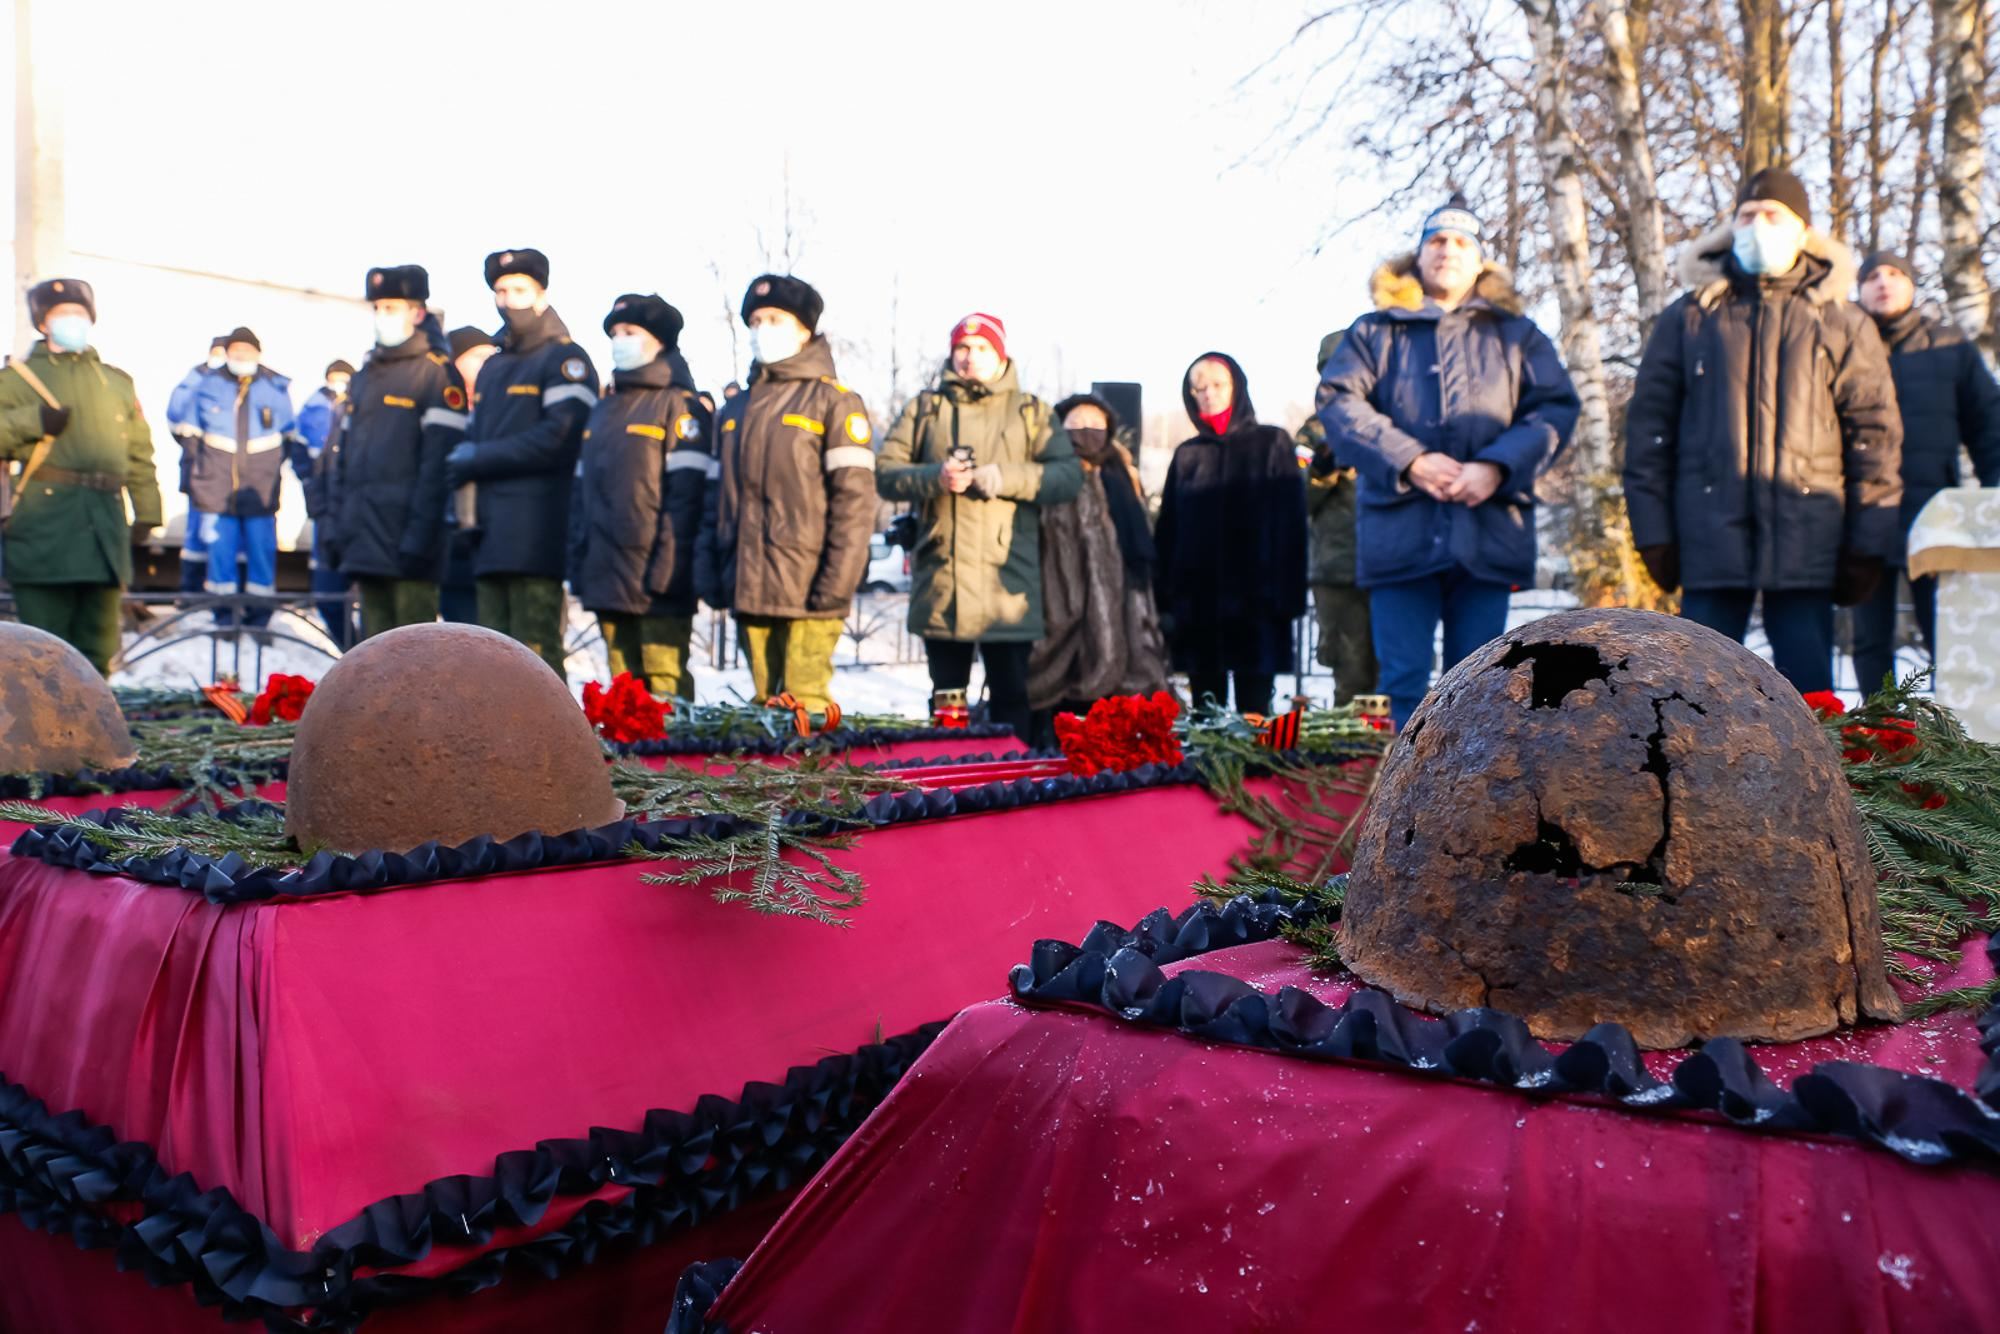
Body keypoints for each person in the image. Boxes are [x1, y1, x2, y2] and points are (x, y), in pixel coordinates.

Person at [1625, 168, 1903, 695]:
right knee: (1692, 698)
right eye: (1747, 216)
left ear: (1803, 230)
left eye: (1773, 215)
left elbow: (1874, 439)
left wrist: (1867, 543)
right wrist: (1654, 533)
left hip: (1809, 540)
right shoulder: (1688, 319)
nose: (1758, 226)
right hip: (1707, 542)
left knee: (1813, 702)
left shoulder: (1842, 321)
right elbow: (1648, 436)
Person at [1319, 194, 1580, 727]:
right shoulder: (1375, 331)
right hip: (1399, 535)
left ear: (1481, 260)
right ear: (1418, 255)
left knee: (1485, 689)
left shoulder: (1518, 335)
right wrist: (1409, 459)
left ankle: (1475, 810)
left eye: (1462, 241)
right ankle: (1402, 808)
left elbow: (1555, 408)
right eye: (1436, 239)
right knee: (1402, 688)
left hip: (1486, 533)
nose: (1448, 250)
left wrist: (1496, 467)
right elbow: (1339, 403)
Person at [876, 313, 1079, 740]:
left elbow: (1066, 476)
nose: (970, 358)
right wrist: (935, 476)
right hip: (942, 580)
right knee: (947, 700)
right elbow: (886, 472)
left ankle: (1015, 787)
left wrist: (1003, 478)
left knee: (1011, 699)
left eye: (982, 348)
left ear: (1000, 353)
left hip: (1006, 583)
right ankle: (949, 781)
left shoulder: (1032, 412)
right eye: (962, 349)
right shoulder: (925, 408)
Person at [697, 274, 874, 716]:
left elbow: (854, 504)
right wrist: (713, 569)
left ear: (805, 329)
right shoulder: (734, 410)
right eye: (756, 320)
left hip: (810, 589)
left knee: (804, 714)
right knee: (766, 713)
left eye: (775, 319)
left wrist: (838, 581)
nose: (763, 329)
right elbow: (714, 500)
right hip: (748, 585)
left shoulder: (835, 403)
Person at [1849, 250, 2000, 694]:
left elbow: (1990, 423)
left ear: (1911, 283)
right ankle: (1877, 738)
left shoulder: (1949, 346)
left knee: (1947, 635)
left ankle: (1952, 743)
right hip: (1861, 515)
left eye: (1894, 273)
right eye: (1872, 275)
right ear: (1860, 289)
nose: (1883, 282)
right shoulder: (1843, 344)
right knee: (1869, 639)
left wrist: (1994, 493)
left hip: (1933, 517)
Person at [445, 248, 596, 678]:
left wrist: (481, 458)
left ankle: (550, 744)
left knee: (536, 653)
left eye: (519, 289)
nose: (509, 299)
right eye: (500, 290)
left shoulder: (565, 359)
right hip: (489, 531)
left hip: (537, 530)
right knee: (490, 656)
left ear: (542, 293)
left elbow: (560, 438)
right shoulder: (495, 366)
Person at [0, 278, 163, 674]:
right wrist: (32, 421)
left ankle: (95, 730)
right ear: (42, 323)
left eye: (78, 314)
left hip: (104, 525)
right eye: (60, 315)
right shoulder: (15, 380)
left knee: (99, 649)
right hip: (44, 525)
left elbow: (139, 451)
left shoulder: (116, 382)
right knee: (43, 650)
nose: (72, 322)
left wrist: (147, 511)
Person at [572, 293, 712, 699]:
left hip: (658, 582)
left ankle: (673, 763)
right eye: (615, 333)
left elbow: (686, 501)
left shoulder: (680, 406)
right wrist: (581, 561)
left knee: (665, 694)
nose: (620, 340)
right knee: (622, 697)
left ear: (660, 341)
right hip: (607, 575)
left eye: (631, 332)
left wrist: (669, 571)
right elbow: (583, 497)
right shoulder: (603, 410)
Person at [1155, 352, 1307, 718]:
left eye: (1217, 385)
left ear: (1237, 386)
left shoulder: (1272, 443)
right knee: (1207, 718)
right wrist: (1165, 601)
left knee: (1255, 716)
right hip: (1198, 608)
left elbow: (1292, 526)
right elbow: (1168, 534)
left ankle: (1256, 774)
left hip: (1258, 604)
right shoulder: (1187, 455)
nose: (1207, 394)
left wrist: (1288, 597)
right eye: (1198, 388)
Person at [318, 264, 466, 639]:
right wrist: (338, 528)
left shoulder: (435, 374)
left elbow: (439, 467)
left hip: (410, 549)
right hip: (367, 542)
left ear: (417, 313)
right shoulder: (367, 375)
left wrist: (420, 539)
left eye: (392, 308)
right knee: (372, 663)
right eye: (378, 308)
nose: (382, 317)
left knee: (412, 662)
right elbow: (344, 459)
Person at [1025, 391, 1167, 737]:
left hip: (1124, 599)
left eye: (1095, 423)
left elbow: (1141, 533)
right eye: (1076, 423)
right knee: (1062, 678)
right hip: (1061, 595)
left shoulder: (1122, 471)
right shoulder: (1048, 470)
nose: (1087, 431)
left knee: (1124, 680)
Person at [180, 326, 302, 628]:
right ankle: (225, 619)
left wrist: (267, 471)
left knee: (261, 561)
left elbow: (288, 438)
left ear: (258, 354)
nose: (241, 357)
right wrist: (204, 474)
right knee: (221, 562)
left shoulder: (275, 387)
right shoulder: (208, 384)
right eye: (235, 351)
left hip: (259, 490)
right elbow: (188, 433)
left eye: (247, 351)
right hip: (217, 490)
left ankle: (259, 620)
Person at [1298, 330, 1377, 706]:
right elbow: (1298, 499)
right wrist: (1322, 466)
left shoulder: (1389, 424)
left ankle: (1402, 755)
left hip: (1391, 566)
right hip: (1337, 571)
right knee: (1351, 672)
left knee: (1397, 671)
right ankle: (1358, 761)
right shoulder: (1313, 431)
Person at [440, 326, 498, 624]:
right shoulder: (444, 406)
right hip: (451, 547)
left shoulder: (497, 411)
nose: (487, 364)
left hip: (490, 544)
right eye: (478, 356)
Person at [296, 359, 356, 647]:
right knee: (327, 596)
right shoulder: (332, 412)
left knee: (368, 603)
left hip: (364, 525)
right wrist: (317, 505)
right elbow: (320, 467)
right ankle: (352, 652)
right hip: (330, 521)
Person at [165, 334, 228, 597]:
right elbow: (176, 417)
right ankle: (190, 591)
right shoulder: (195, 379)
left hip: (224, 475)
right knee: (196, 534)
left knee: (220, 536)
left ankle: (212, 591)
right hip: (198, 471)